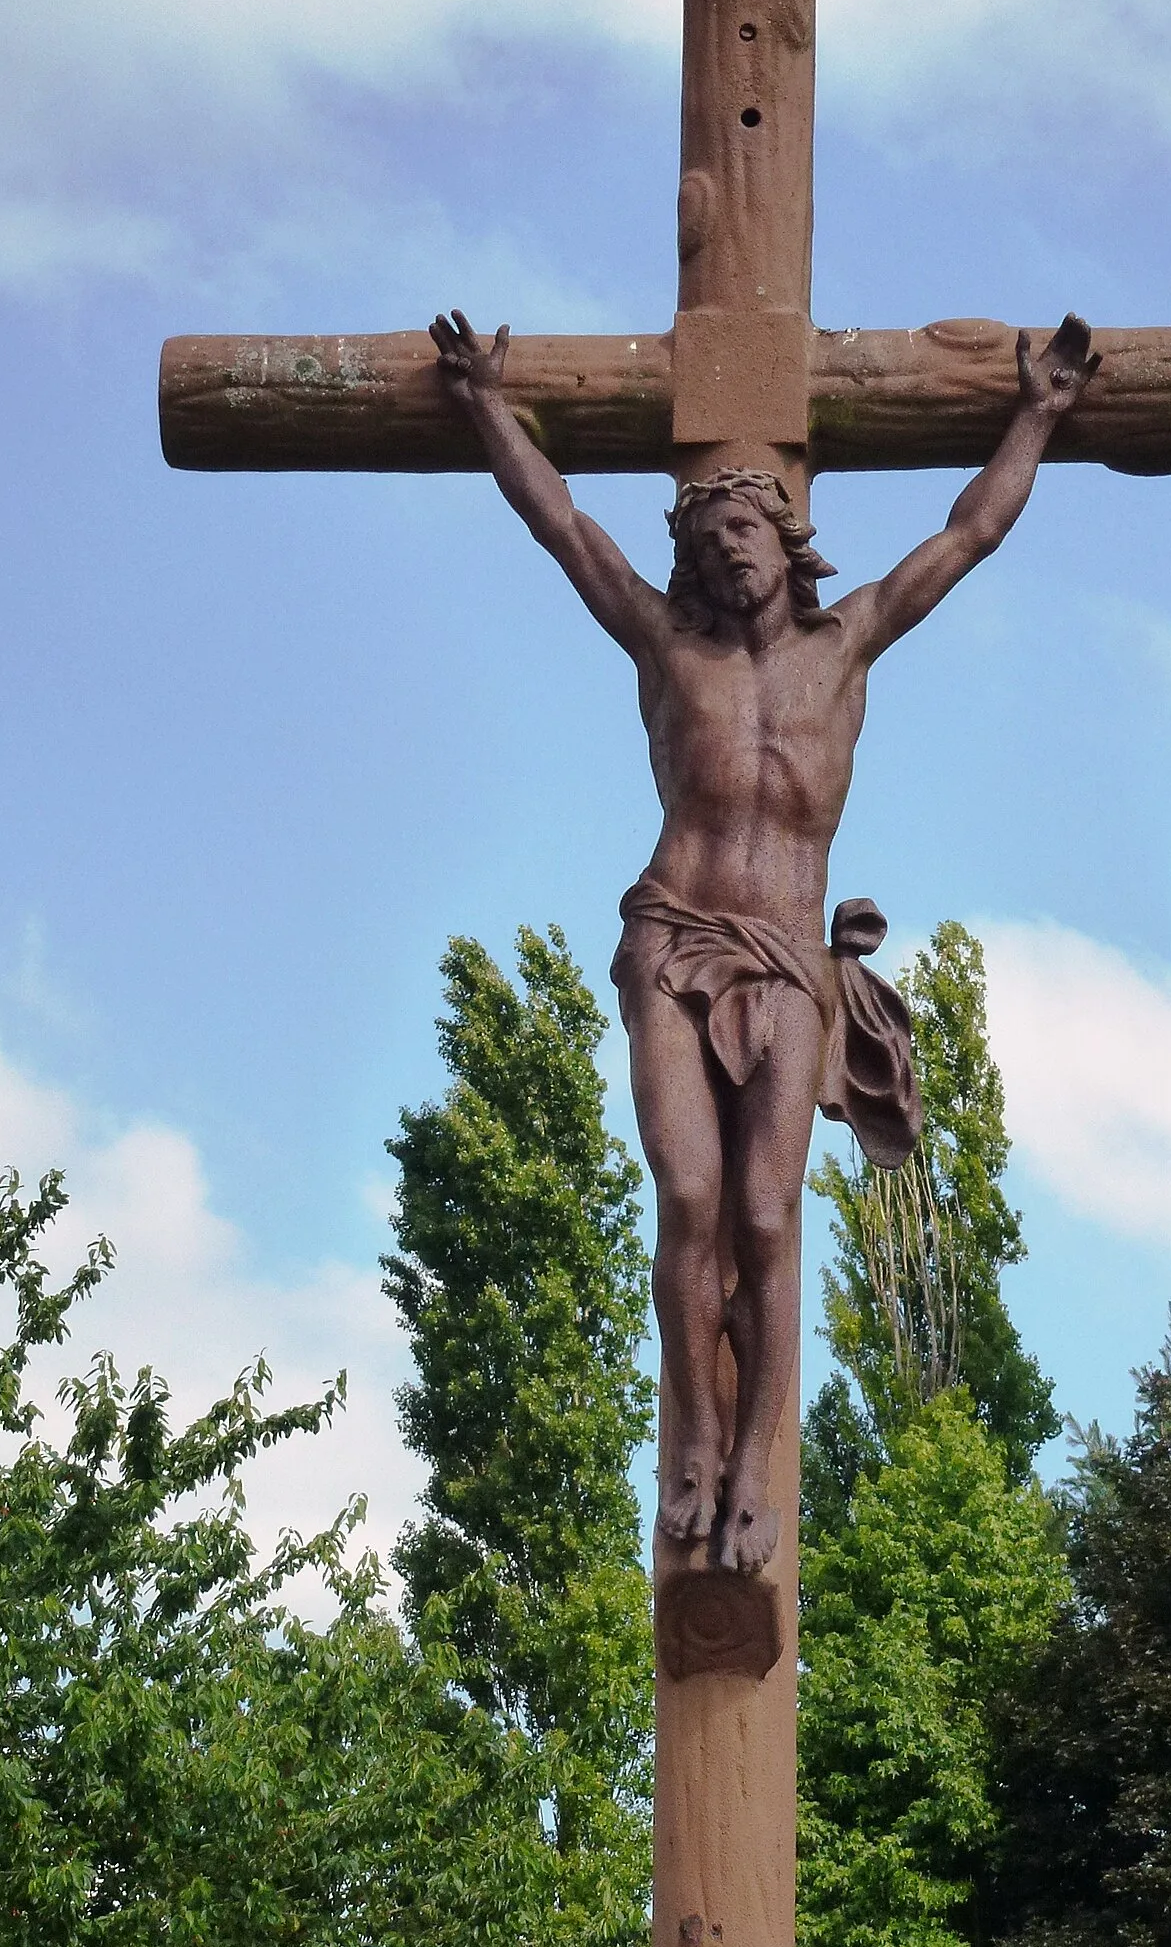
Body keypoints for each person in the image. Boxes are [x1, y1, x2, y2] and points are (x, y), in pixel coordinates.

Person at [431, 308, 1099, 1574]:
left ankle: (752, 1470)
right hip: (673, 935)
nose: (724, 554)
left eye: (739, 532)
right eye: (704, 539)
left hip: (791, 960)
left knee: (766, 1214)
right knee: (687, 1197)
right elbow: (563, 526)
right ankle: (692, 1441)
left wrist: (1037, 414)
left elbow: (968, 534)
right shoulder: (662, 642)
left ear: (785, 545)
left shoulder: (844, 646)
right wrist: (480, 405)